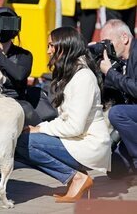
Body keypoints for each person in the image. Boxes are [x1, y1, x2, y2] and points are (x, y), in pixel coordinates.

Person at [15, 26, 111, 203]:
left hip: (88, 144)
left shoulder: (83, 78)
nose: (48, 50)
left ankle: (77, 178)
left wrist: (40, 128)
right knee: (16, 141)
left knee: (23, 141)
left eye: (52, 45)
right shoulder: (72, 73)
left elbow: (74, 126)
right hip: (77, 140)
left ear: (65, 46)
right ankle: (75, 177)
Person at [99, 19, 137, 178]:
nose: (106, 48)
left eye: (109, 42)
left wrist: (110, 73)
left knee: (117, 113)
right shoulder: (123, 61)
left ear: (124, 38)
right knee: (113, 167)